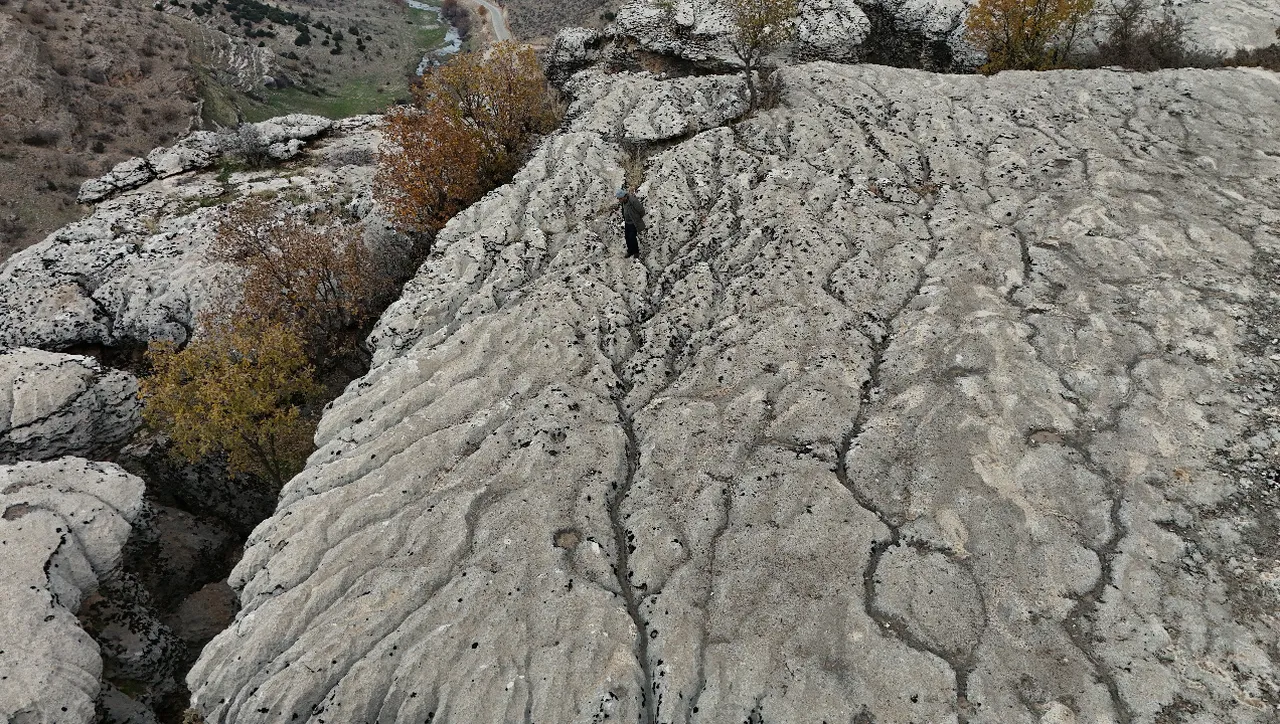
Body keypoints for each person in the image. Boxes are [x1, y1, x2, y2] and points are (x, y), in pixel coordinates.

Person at [616, 187, 645, 258]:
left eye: (620, 199)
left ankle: (636, 252)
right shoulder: (623, 202)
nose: (619, 200)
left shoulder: (633, 201)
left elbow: (641, 210)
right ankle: (630, 250)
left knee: (632, 237)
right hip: (627, 222)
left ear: (624, 196)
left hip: (633, 223)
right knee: (627, 237)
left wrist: (637, 218)